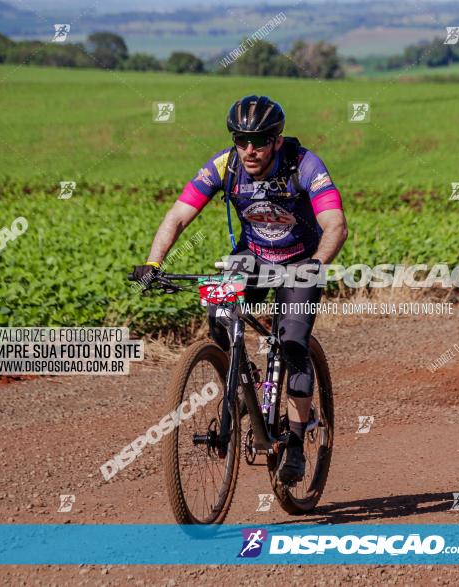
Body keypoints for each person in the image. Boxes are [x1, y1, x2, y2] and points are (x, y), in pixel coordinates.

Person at [131, 95, 348, 485]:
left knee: (294, 342)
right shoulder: (224, 165)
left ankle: (296, 443)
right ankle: (243, 376)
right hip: (252, 256)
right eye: (241, 140)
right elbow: (179, 214)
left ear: (277, 140)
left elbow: (335, 224)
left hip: (300, 259)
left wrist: (316, 266)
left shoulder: (305, 165)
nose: (249, 150)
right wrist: (153, 262)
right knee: (217, 312)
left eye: (260, 141)